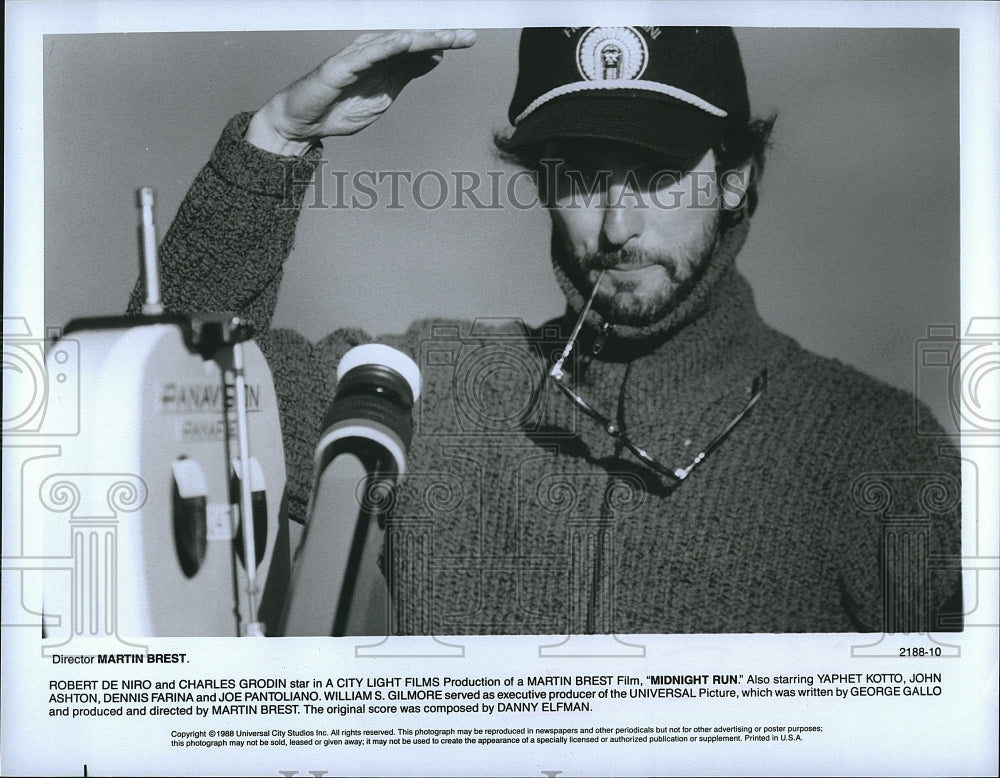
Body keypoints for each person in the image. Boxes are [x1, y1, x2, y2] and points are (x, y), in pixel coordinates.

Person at [133, 27, 963, 635]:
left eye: (660, 175)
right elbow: (163, 402)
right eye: (583, 180)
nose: (617, 227)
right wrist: (277, 137)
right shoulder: (425, 384)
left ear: (736, 179)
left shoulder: (871, 443)